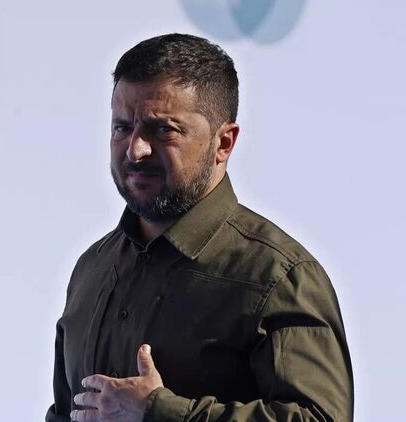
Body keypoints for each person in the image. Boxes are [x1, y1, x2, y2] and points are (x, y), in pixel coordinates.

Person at [45, 33, 353, 422]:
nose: (136, 149)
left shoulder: (278, 277)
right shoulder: (93, 268)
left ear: (224, 143)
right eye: (122, 128)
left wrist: (160, 412)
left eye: (163, 130)